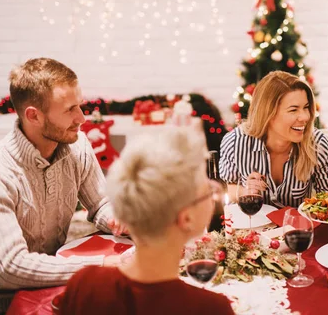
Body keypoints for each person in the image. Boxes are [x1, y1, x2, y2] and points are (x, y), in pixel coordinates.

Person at [0, 58, 126, 314]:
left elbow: (101, 203)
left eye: (80, 106)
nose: (82, 118)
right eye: (69, 109)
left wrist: (120, 219)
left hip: (59, 289)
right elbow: (10, 267)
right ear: (34, 116)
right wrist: (102, 264)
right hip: (4, 305)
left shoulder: (78, 145)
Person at [58, 125, 234, 315]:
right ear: (186, 218)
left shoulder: (85, 284)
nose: (213, 192)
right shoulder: (210, 308)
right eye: (207, 189)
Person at [220, 71, 328, 208]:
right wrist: (246, 191)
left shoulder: (317, 144)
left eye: (306, 108)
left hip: (298, 228)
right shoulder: (236, 142)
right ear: (268, 113)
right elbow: (229, 190)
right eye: (293, 110)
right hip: (253, 227)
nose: (305, 117)